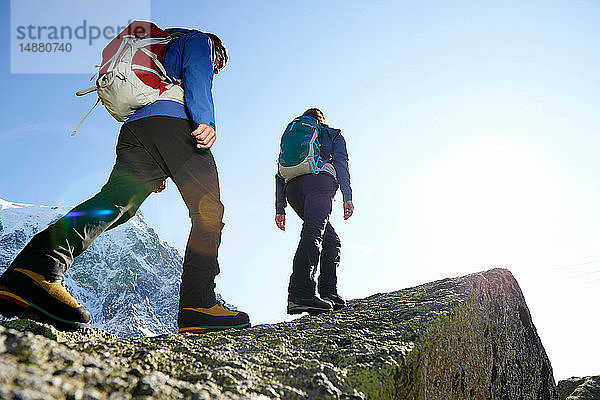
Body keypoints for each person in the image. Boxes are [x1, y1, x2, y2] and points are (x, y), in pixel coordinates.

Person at [0, 27, 250, 334]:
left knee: (114, 204)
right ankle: (198, 305)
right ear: (219, 51)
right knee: (208, 212)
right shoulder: (200, 41)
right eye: (219, 63)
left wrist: (157, 167)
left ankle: (35, 268)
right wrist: (205, 121)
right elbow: (197, 74)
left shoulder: (158, 49)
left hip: (136, 130)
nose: (217, 68)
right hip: (174, 124)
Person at [275, 108, 354, 315]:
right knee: (314, 231)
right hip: (318, 182)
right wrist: (347, 195)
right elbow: (341, 163)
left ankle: (328, 294)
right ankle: (300, 292)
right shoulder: (331, 133)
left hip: (291, 188)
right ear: (322, 120)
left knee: (330, 239)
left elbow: (278, 172)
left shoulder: (292, 134)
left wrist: (280, 208)